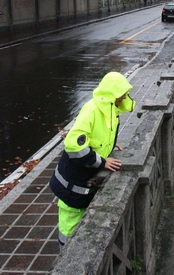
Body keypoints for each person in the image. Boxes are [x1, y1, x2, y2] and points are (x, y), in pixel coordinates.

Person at [49, 72, 135, 247]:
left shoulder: (110, 109)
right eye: (122, 94)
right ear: (112, 95)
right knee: (69, 226)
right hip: (71, 184)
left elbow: (98, 136)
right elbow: (74, 145)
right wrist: (103, 162)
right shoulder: (92, 110)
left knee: (81, 221)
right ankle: (66, 261)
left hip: (82, 181)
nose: (125, 97)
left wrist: (110, 145)